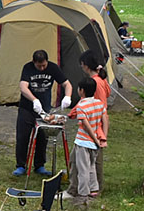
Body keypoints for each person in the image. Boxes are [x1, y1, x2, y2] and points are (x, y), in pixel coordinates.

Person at [14, 49, 72, 177]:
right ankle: (21, 165)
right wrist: (34, 100)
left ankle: (39, 165)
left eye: (44, 65)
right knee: (23, 136)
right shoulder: (28, 68)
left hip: (44, 109)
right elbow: (23, 87)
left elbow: (67, 84)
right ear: (34, 62)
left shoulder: (53, 68)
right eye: (39, 65)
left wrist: (67, 96)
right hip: (27, 108)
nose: (41, 68)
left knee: (42, 137)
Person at [69, 77, 106, 198]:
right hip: (94, 143)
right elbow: (102, 120)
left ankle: (83, 192)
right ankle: (94, 189)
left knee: (82, 169)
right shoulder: (99, 104)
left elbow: (86, 125)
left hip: (83, 142)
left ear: (82, 91)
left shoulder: (81, 106)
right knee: (91, 167)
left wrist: (95, 140)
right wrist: (100, 140)